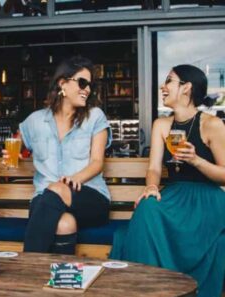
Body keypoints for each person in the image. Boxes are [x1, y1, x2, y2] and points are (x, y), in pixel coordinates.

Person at [110, 64, 225, 297]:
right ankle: (145, 289)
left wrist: (196, 161)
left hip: (207, 199)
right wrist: (151, 186)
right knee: (147, 207)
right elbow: (153, 168)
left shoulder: (212, 124)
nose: (163, 86)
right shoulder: (161, 124)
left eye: (169, 81)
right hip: (174, 193)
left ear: (186, 88)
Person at [14, 56, 111, 254]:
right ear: (62, 83)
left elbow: (97, 163)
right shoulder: (35, 121)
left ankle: (26, 268)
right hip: (45, 200)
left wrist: (74, 179)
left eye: (90, 85)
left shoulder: (95, 117)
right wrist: (14, 153)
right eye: (82, 83)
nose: (87, 90)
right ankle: (60, 281)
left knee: (57, 189)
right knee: (64, 224)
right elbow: (15, 144)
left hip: (88, 197)